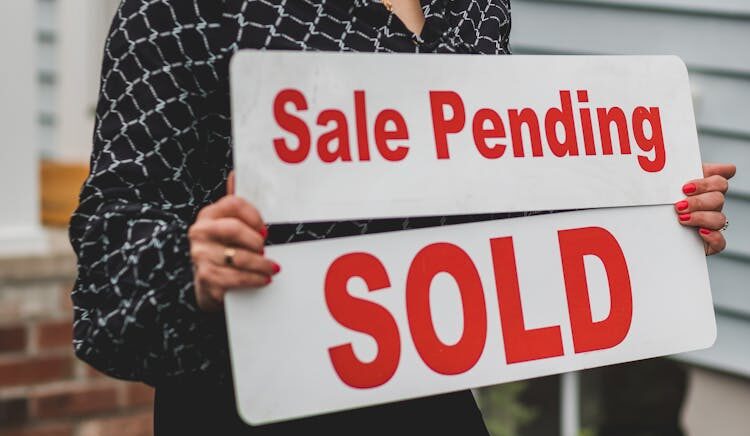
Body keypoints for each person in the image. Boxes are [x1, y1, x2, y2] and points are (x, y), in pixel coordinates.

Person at [69, 1, 735, 435]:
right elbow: (108, 266)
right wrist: (194, 264)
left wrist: (651, 213)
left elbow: (483, 180)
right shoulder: (181, 11)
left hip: (429, 399)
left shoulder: (472, 8)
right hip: (254, 405)